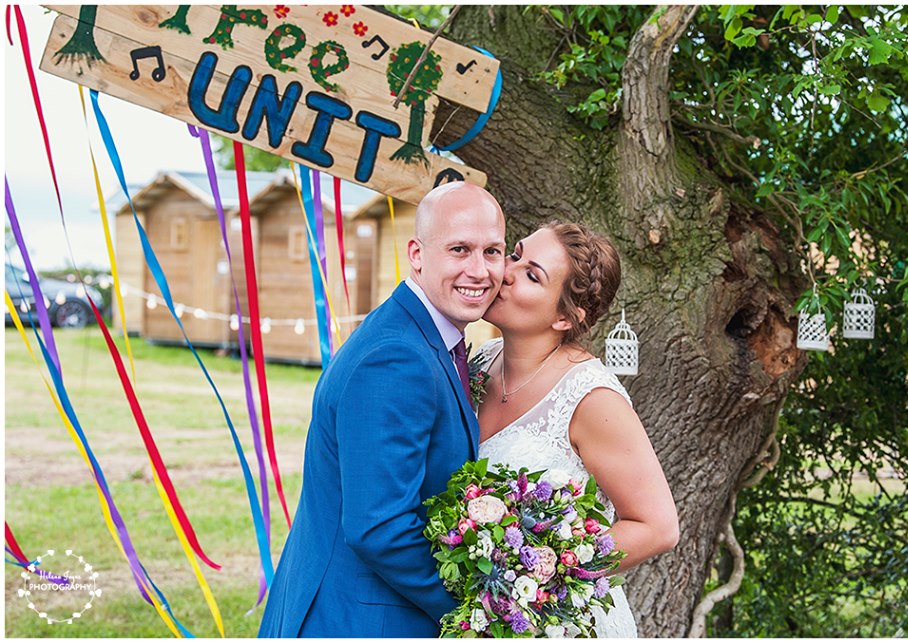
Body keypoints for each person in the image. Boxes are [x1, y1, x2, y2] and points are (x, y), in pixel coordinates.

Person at [258, 181, 506, 637]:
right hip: (356, 619)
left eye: (493, 252)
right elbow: (381, 527)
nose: (480, 270)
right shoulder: (397, 358)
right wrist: (478, 611)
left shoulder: (425, 337)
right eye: (459, 249)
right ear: (416, 253)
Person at [475, 221, 679, 637]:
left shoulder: (592, 398)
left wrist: (539, 577)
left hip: (559, 623)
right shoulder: (480, 362)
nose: (506, 272)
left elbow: (657, 527)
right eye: (515, 255)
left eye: (532, 275)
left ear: (567, 318)